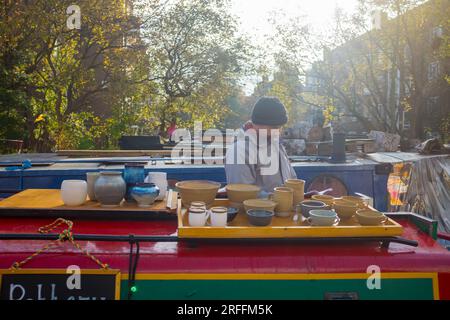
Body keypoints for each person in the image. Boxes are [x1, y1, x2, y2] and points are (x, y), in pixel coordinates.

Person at [225, 97, 297, 195]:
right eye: (274, 127)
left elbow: (292, 179)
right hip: (258, 209)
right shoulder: (239, 151)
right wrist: (275, 198)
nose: (278, 132)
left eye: (280, 127)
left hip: (283, 208)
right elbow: (241, 193)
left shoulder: (276, 144)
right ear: (257, 123)